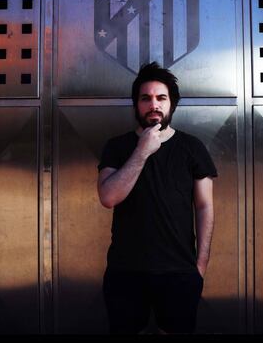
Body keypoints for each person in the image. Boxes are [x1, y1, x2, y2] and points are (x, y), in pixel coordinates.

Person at [97, 62, 217, 334]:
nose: (154, 104)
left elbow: (205, 206)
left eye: (161, 98)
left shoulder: (192, 147)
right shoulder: (117, 147)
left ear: (172, 104)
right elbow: (108, 197)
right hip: (125, 273)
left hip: (179, 273)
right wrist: (142, 151)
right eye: (146, 98)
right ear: (136, 105)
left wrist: (200, 265)